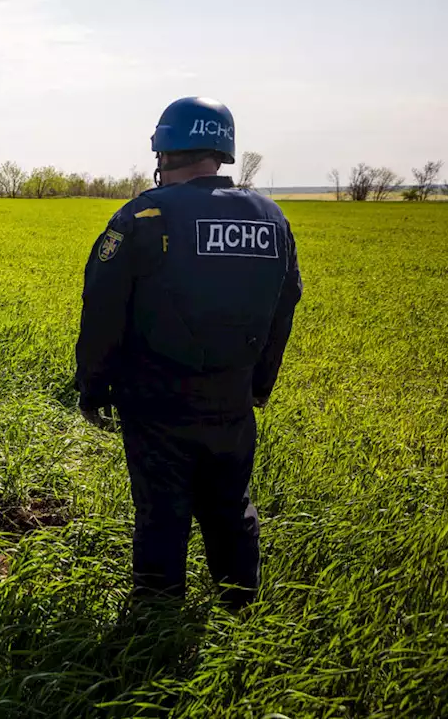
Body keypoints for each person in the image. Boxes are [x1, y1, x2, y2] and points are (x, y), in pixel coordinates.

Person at [73, 97, 303, 611]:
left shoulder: (144, 215)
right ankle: (241, 612)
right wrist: (258, 385)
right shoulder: (271, 219)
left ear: (165, 149)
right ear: (222, 149)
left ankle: (156, 627)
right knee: (230, 505)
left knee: (162, 513)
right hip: (234, 400)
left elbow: (102, 309)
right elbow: (283, 309)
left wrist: (93, 387)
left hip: (157, 401)